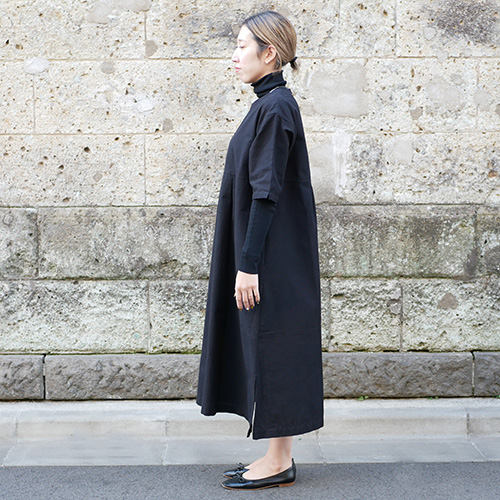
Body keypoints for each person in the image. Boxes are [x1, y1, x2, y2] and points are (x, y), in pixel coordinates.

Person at [196, 10, 324, 490]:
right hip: (270, 252)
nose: (234, 55)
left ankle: (278, 461)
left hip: (271, 257)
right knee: (271, 348)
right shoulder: (269, 105)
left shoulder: (275, 108)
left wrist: (248, 265)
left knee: (276, 349)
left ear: (269, 53)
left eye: (241, 46)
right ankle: (276, 456)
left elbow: (266, 193)